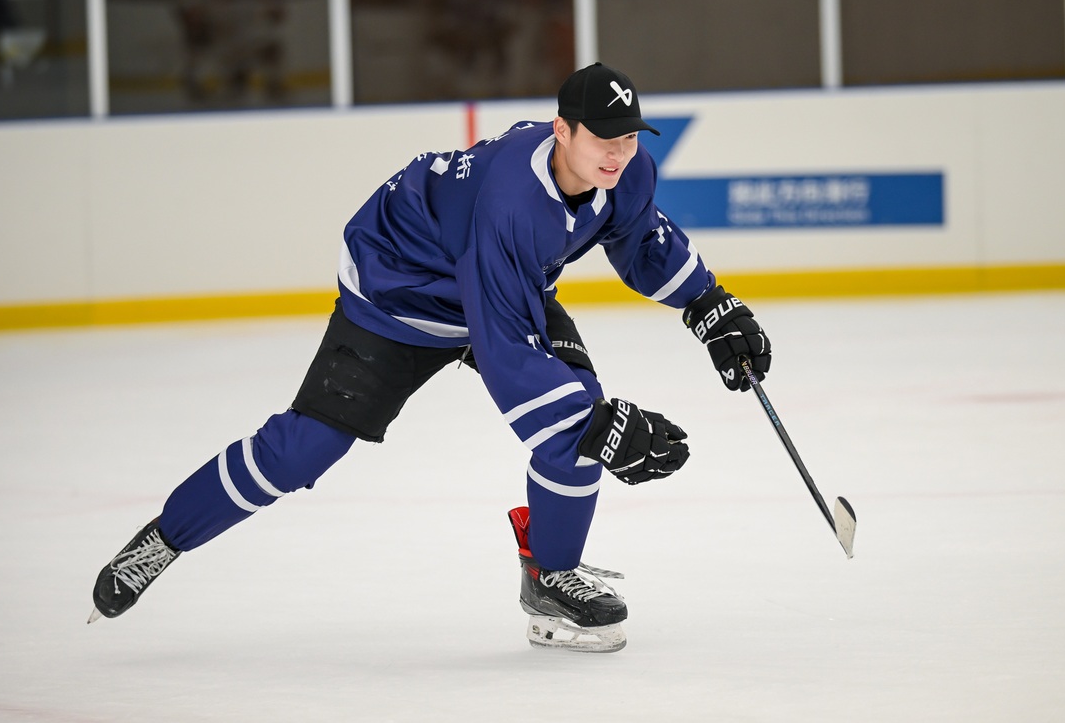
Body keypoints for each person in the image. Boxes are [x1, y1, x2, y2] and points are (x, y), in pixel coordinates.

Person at [88, 63, 772, 653]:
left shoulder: (624, 171)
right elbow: (506, 349)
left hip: (500, 282)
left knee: (579, 422)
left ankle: (551, 575)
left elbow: (642, 241)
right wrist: (595, 423)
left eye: (629, 137)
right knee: (303, 450)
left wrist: (709, 305)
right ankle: (165, 538)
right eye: (604, 137)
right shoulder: (511, 201)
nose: (619, 153)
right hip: (397, 295)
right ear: (562, 130)